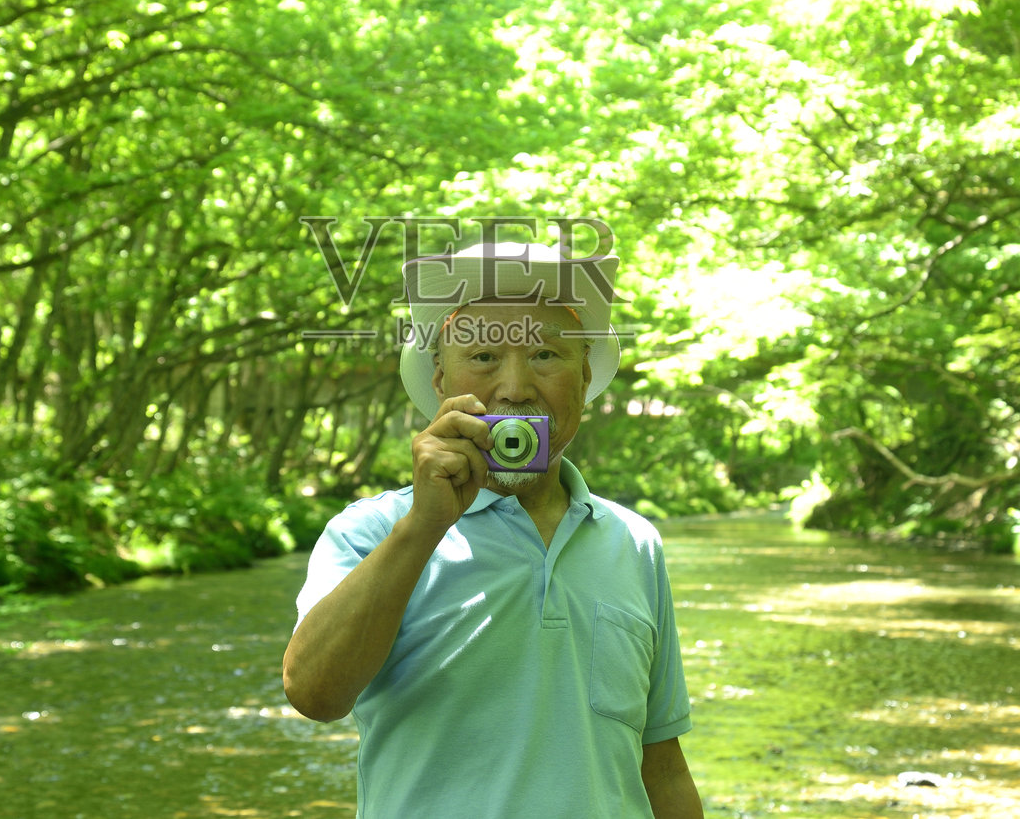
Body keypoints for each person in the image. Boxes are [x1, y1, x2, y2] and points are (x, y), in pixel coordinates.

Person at [282, 240, 704, 818]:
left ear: (584, 375)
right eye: (482, 357)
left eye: (545, 356)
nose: (513, 387)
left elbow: (661, 763)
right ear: (440, 381)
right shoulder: (372, 530)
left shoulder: (633, 543)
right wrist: (423, 527)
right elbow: (313, 694)